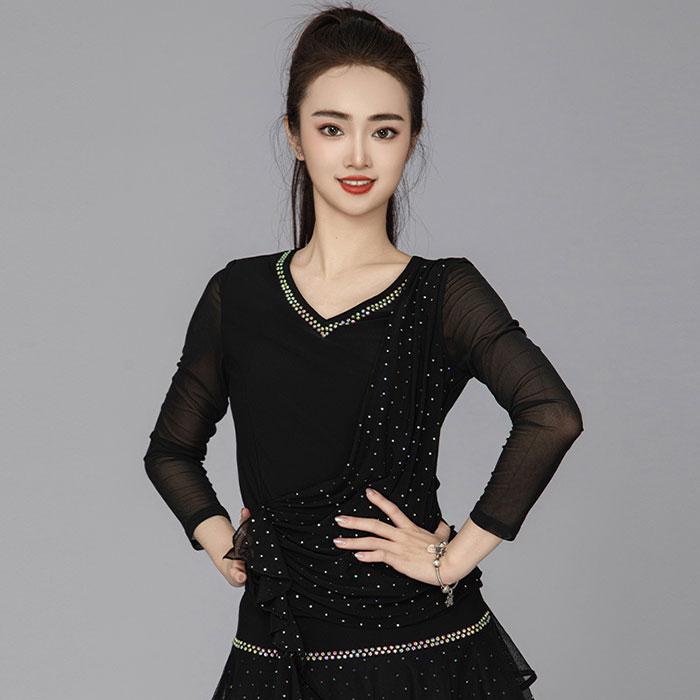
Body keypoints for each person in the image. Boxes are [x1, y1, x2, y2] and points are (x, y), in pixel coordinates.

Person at [143, 5, 583, 699]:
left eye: (384, 130)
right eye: (331, 128)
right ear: (294, 136)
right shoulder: (239, 293)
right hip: (277, 652)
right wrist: (222, 542)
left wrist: (452, 558)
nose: (357, 156)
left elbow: (552, 416)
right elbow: (170, 451)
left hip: (424, 653)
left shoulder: (443, 292)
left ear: (412, 140)